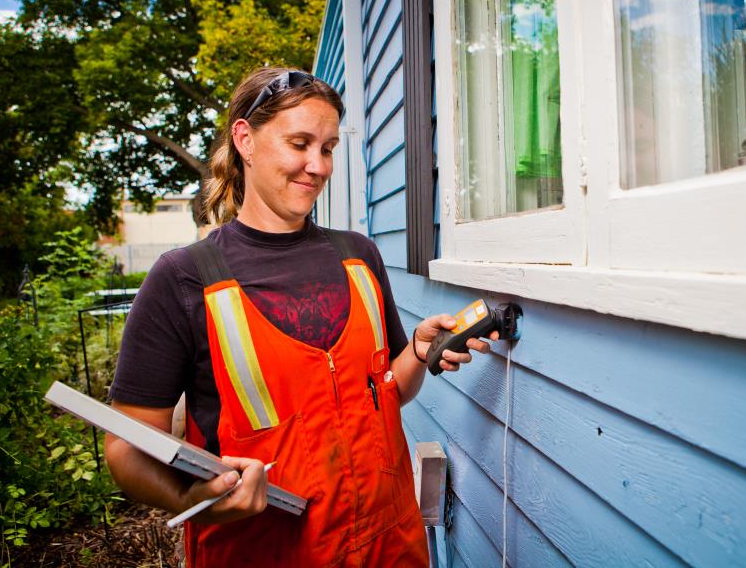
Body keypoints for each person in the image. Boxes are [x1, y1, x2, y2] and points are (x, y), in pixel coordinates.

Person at [105, 67, 496, 567]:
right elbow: (126, 448)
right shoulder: (184, 279)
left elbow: (386, 392)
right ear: (245, 139)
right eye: (299, 143)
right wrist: (193, 501)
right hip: (266, 551)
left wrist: (417, 351)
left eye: (328, 148)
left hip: (389, 545)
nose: (318, 165)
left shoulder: (358, 258)